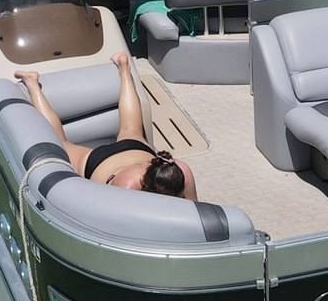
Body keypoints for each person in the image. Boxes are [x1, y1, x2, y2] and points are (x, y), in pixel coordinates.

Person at [14, 55, 197, 200]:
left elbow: (196, 212)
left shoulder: (181, 171)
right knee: (60, 142)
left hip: (136, 151)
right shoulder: (126, 189)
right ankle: (32, 85)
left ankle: (124, 68)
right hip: (99, 162)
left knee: (130, 129)